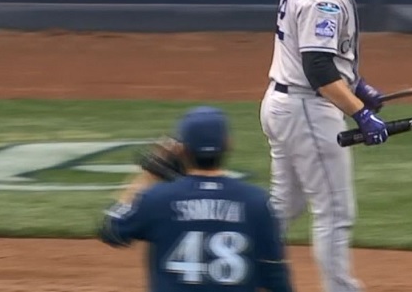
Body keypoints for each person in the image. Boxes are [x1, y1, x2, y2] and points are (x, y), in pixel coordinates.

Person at [259, 0, 397, 292]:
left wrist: (357, 84)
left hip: (283, 103)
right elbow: (318, 67)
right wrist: (360, 112)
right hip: (305, 109)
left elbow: (318, 54)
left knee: (284, 207)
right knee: (335, 211)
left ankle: (237, 271)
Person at [99, 106, 294, 292]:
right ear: (228, 144)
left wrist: (151, 172)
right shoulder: (257, 203)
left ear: (182, 150)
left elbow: (111, 230)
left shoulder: (157, 199)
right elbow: (276, 279)